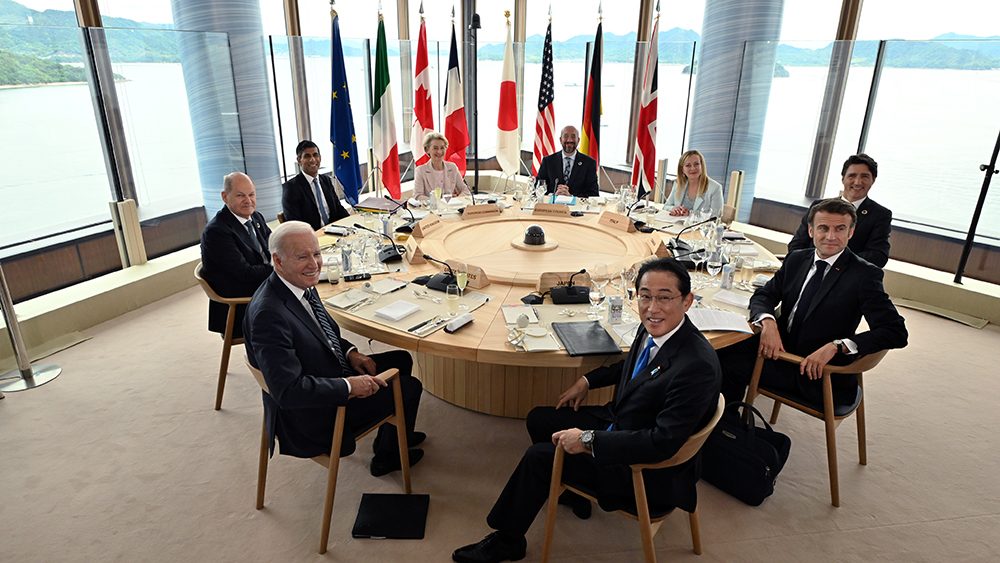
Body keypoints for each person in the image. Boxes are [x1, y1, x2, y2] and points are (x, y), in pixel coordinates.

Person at [453, 258, 721, 563]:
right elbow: (636, 367)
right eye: (645, 295)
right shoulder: (660, 330)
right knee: (540, 419)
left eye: (664, 297)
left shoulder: (696, 366)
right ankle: (572, 492)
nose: (652, 307)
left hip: (645, 471)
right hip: (624, 425)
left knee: (539, 457)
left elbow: (662, 443)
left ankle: (508, 541)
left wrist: (588, 440)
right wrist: (587, 380)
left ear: (687, 301)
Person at [243, 221, 425, 477]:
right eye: (302, 256)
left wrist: (351, 353)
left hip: (324, 372)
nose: (314, 264)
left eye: (316, 254)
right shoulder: (268, 315)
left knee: (402, 360)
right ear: (278, 260)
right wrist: (350, 386)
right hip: (314, 414)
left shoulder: (297, 283)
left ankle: (392, 442)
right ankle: (388, 458)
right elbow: (288, 391)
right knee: (409, 387)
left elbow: (322, 331)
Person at [717, 198, 907, 408]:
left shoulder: (865, 275)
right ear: (810, 231)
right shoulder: (798, 258)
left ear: (851, 232)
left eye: (840, 229)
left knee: (729, 366)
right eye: (823, 228)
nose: (831, 236)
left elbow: (895, 331)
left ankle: (727, 424)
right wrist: (769, 323)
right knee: (716, 349)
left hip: (812, 370)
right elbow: (764, 295)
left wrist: (838, 346)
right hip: (781, 343)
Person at [199, 172, 272, 338]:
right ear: (225, 197)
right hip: (241, 304)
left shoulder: (255, 217)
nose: (248, 200)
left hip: (262, 287)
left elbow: (275, 246)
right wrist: (282, 269)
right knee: (300, 307)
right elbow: (245, 273)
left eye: (251, 194)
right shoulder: (216, 232)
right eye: (240, 195)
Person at [787, 153, 892, 268]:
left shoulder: (880, 214)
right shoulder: (819, 206)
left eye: (864, 176)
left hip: (850, 277)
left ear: (873, 180)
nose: (857, 182)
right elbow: (796, 245)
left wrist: (835, 262)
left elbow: (878, 256)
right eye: (852, 176)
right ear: (843, 179)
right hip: (812, 269)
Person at [281, 140, 351, 230]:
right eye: (307, 156)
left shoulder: (326, 180)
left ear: (320, 158)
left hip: (335, 232)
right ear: (299, 160)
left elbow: (338, 209)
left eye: (315, 155)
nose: (312, 159)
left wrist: (350, 225)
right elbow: (295, 225)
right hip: (311, 237)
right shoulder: (291, 188)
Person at [534, 125, 600, 198]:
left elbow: (594, 194)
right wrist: (554, 196)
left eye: (573, 136)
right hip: (552, 207)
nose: (569, 140)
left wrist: (571, 197)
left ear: (578, 140)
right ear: (560, 140)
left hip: (577, 208)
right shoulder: (548, 161)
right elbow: (537, 188)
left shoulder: (589, 163)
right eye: (566, 136)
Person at [413, 131, 471, 201]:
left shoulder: (452, 167)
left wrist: (455, 200)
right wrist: (441, 201)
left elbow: (465, 190)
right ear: (427, 149)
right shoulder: (421, 171)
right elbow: (418, 196)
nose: (439, 152)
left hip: (451, 209)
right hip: (431, 210)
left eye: (442, 148)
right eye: (435, 148)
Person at [667, 149, 723, 217]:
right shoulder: (678, 184)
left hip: (701, 227)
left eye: (696, 164)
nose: (693, 168)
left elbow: (716, 217)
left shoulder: (715, 188)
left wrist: (690, 214)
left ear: (701, 166)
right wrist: (674, 209)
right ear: (682, 169)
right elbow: (666, 207)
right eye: (688, 165)